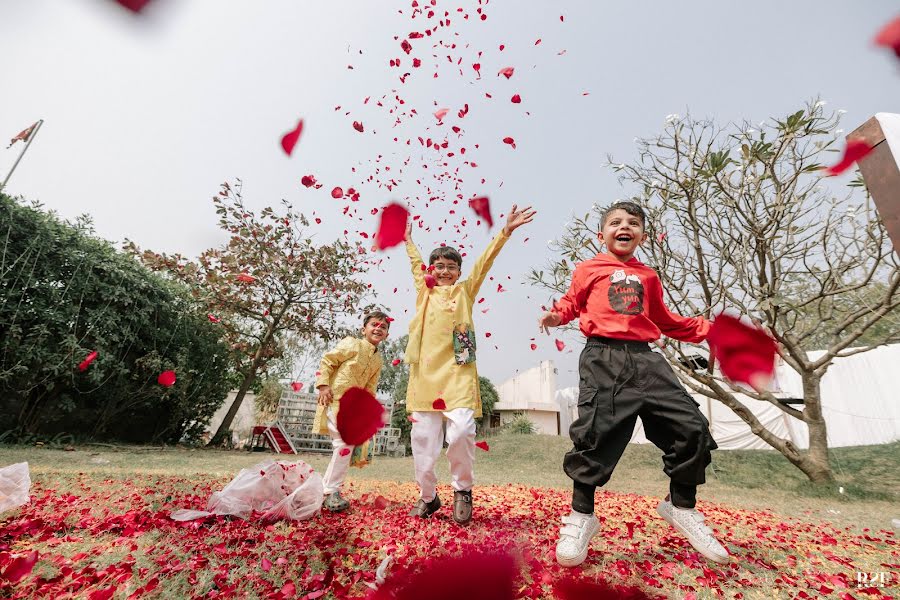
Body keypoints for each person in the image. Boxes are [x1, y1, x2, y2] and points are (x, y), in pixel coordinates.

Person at [538, 201, 729, 566]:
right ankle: (582, 517)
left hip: (646, 360)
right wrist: (555, 315)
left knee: (692, 428)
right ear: (602, 234)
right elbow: (570, 303)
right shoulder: (588, 269)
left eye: (633, 223)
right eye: (615, 222)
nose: (624, 227)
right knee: (594, 435)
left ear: (642, 235)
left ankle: (682, 507)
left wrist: (713, 332)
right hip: (603, 360)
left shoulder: (648, 277)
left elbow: (668, 322)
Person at [404, 204, 535, 524]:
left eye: (451, 266)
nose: (444, 271)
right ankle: (429, 497)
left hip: (458, 372)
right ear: (431, 270)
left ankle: (463, 490)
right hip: (424, 376)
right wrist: (408, 240)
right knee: (422, 443)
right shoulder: (424, 291)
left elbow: (483, 263)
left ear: (459, 272)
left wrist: (505, 232)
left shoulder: (465, 290)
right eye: (439, 266)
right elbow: (414, 263)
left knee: (462, 430)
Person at [313, 310, 390, 512]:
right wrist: (323, 385)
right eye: (374, 324)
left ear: (387, 335)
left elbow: (370, 388)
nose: (378, 328)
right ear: (364, 329)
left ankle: (327, 491)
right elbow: (328, 361)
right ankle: (330, 491)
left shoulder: (377, 360)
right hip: (336, 399)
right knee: (344, 444)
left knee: (343, 446)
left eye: (383, 327)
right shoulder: (352, 344)